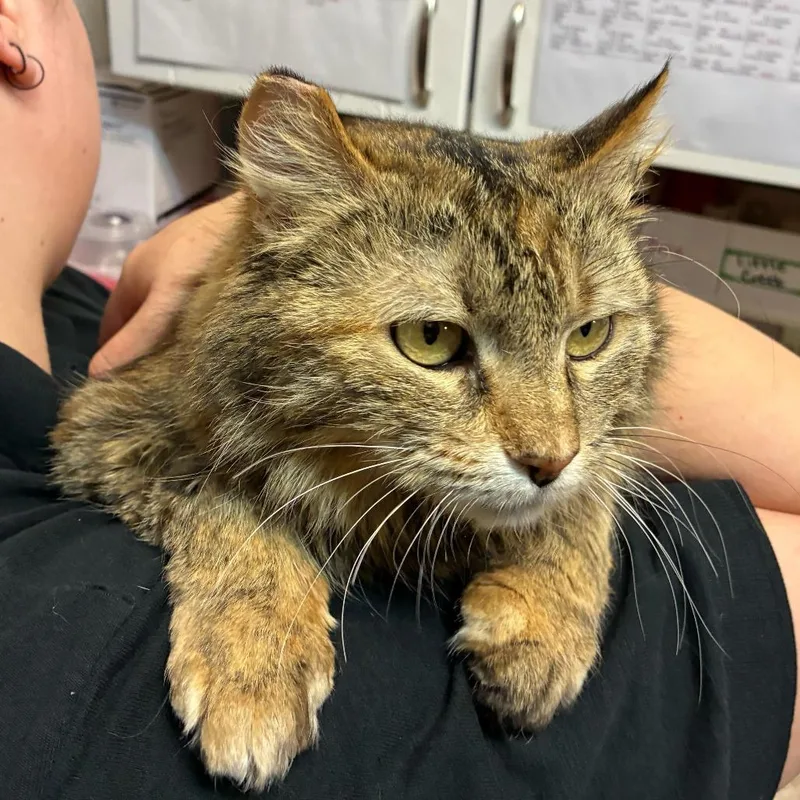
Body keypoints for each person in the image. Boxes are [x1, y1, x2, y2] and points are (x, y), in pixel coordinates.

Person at [1, 3, 798, 798]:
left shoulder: (69, 305)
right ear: (15, 39)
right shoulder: (59, 610)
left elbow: (600, 422)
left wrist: (576, 531)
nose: (549, 442)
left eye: (587, 334)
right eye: (432, 338)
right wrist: (245, 559)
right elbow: (113, 443)